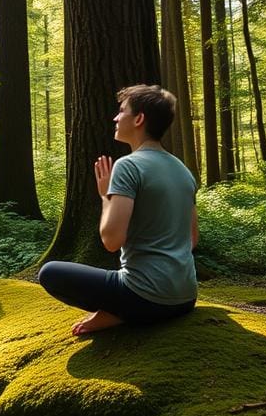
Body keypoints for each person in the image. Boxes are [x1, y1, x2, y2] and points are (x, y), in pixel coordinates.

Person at [39, 84, 198, 336]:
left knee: (49, 272)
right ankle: (120, 310)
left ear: (139, 119)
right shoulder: (183, 170)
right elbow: (191, 239)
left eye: (122, 111)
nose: (115, 117)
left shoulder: (128, 166)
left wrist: (105, 196)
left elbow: (111, 240)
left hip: (143, 298)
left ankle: (120, 312)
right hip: (185, 297)